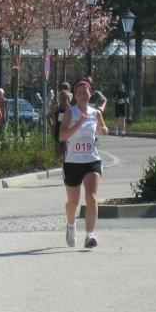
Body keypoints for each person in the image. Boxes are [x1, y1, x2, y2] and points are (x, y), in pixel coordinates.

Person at [60, 77, 108, 249]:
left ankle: (90, 235)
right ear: (75, 95)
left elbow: (101, 129)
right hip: (72, 162)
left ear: (90, 93)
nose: (82, 95)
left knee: (91, 197)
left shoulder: (96, 113)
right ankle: (71, 226)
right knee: (73, 202)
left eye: (85, 92)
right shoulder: (70, 113)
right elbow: (62, 136)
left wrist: (103, 130)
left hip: (91, 160)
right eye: (79, 92)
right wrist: (79, 123)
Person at [49, 90, 71, 157]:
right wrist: (52, 126)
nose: (63, 100)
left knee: (66, 151)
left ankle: (66, 161)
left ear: (68, 99)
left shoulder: (71, 109)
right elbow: (48, 116)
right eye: (62, 98)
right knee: (58, 154)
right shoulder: (57, 108)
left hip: (68, 132)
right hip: (58, 132)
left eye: (65, 98)